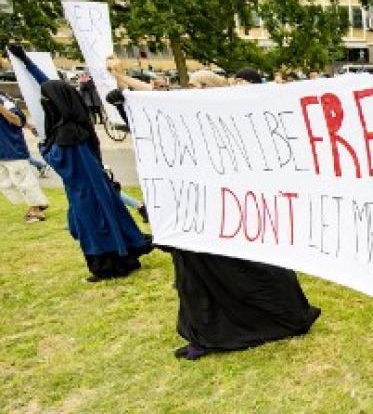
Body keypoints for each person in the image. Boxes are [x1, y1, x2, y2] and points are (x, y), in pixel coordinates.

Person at [121, 66, 321, 360]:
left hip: (224, 210)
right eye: (189, 85)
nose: (191, 90)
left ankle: (279, 317)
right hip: (195, 209)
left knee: (242, 270)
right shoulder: (187, 117)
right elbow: (158, 124)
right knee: (197, 275)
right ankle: (206, 333)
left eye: (198, 85)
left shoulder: (231, 119)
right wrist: (126, 105)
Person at [8, 45, 153, 281]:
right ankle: (124, 258)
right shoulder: (77, 122)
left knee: (94, 227)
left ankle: (109, 267)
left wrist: (44, 146)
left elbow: (62, 164)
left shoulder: (68, 134)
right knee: (106, 220)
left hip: (85, 190)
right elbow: (54, 87)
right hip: (95, 186)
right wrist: (26, 62)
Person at [0, 94, 49, 222]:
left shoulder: (4, 101)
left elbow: (18, 120)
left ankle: (36, 209)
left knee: (23, 179)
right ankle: (38, 203)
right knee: (6, 183)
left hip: (11, 147)